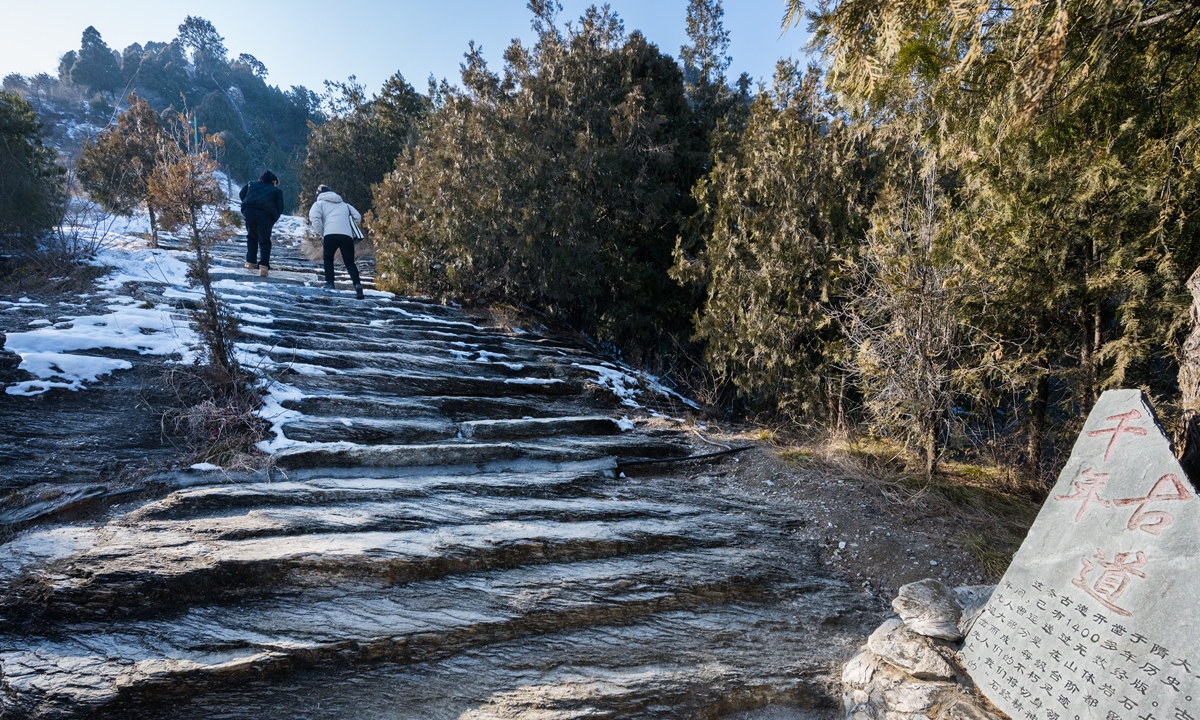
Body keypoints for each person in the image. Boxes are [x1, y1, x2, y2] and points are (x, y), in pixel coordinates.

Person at [308, 184, 365, 299]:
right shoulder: (345, 205)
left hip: (330, 235)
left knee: (328, 259)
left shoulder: (319, 204)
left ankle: (330, 284)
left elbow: (314, 218)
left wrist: (323, 232)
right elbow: (357, 217)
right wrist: (348, 228)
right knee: (349, 262)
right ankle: (357, 285)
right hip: (346, 236)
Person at [238, 170, 285, 277]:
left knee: (251, 237)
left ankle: (250, 263)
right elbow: (280, 206)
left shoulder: (251, 184)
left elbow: (241, 194)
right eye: (275, 182)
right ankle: (263, 266)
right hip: (265, 214)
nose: (275, 185)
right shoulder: (276, 191)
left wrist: (248, 203)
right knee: (264, 241)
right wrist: (273, 217)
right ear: (273, 181)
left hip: (248, 211)